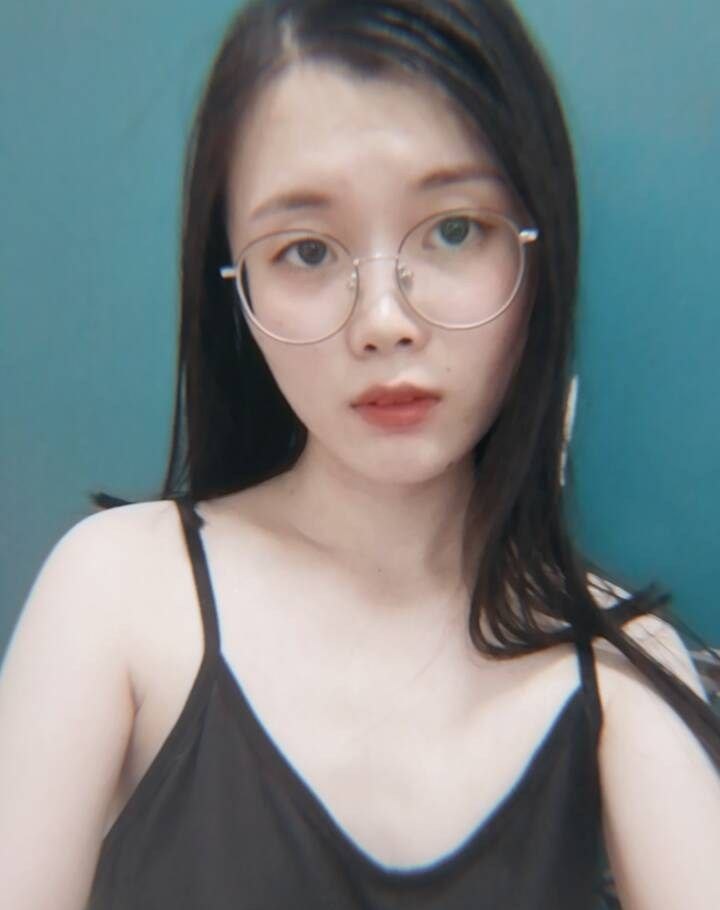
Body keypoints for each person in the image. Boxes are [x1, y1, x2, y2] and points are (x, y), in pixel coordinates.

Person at [1, 0, 719, 907]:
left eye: (455, 230)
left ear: (538, 253)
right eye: (305, 250)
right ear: (236, 288)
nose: (383, 321)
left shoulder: (620, 664)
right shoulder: (117, 594)